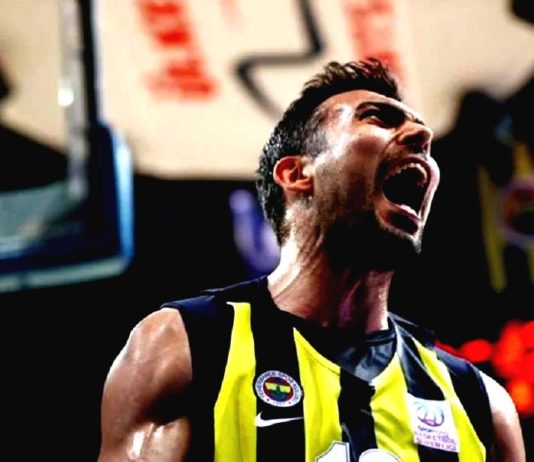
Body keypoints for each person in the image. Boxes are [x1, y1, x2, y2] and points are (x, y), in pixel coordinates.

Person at [98, 59, 525, 461]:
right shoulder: (184, 346)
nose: (421, 136)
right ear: (297, 173)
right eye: (378, 118)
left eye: (421, 131)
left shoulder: (479, 403)